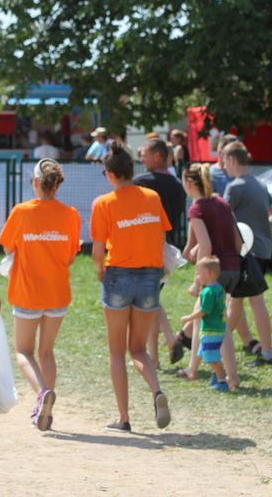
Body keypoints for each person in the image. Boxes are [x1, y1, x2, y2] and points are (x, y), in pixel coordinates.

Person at [91, 142, 172, 432]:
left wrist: (100, 272)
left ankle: (124, 418)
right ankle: (157, 391)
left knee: (116, 351)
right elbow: (161, 239)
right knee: (138, 349)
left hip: (118, 276)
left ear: (110, 174)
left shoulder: (104, 203)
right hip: (150, 277)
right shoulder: (152, 197)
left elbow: (98, 251)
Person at [0, 158, 81, 431]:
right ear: (57, 185)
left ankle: (42, 393)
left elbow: (6, 247)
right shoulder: (70, 214)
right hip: (57, 292)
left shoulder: (22, 211)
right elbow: (70, 257)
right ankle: (43, 408)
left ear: (36, 183)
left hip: (27, 292)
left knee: (23, 351)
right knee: (46, 352)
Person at [175, 163, 241, 390]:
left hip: (215, 272)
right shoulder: (222, 202)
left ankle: (211, 373)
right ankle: (221, 375)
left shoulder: (197, 209)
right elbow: (238, 241)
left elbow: (205, 245)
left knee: (205, 320)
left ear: (189, 183)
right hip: (233, 269)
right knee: (212, 323)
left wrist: (197, 281)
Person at [222, 141, 272, 367]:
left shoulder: (235, 187)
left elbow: (224, 220)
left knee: (251, 301)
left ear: (232, 160)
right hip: (262, 250)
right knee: (237, 302)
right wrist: (264, 234)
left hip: (245, 252)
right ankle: (217, 347)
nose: (223, 167)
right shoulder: (260, 184)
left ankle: (266, 354)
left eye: (224, 161)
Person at [133, 139, 185, 367]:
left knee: (150, 299)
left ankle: (172, 339)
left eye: (144, 154)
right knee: (153, 300)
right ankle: (153, 358)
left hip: (147, 248)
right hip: (168, 251)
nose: (141, 159)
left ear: (157, 156)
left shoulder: (142, 182)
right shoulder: (177, 185)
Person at [179, 256, 229, 392]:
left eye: (199, 273)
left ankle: (222, 381)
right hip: (218, 327)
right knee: (205, 352)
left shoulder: (208, 292)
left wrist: (188, 318)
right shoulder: (219, 288)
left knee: (212, 357)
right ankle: (214, 377)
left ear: (210, 273)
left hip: (211, 330)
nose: (197, 276)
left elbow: (204, 311)